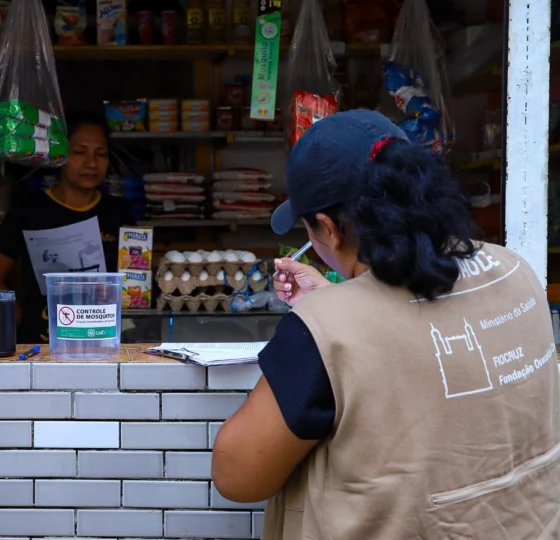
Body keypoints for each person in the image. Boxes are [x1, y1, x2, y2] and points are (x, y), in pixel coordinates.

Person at [211, 110, 560, 539]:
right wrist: (340, 299)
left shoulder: (326, 330)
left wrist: (329, 316)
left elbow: (238, 474)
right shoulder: (514, 270)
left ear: (328, 228)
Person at [0, 110, 136, 343]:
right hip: (42, 342)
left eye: (101, 154)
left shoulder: (118, 212)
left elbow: (135, 282)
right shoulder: (30, 210)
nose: (91, 163)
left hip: (104, 341)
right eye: (79, 152)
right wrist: (16, 316)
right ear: (61, 155)